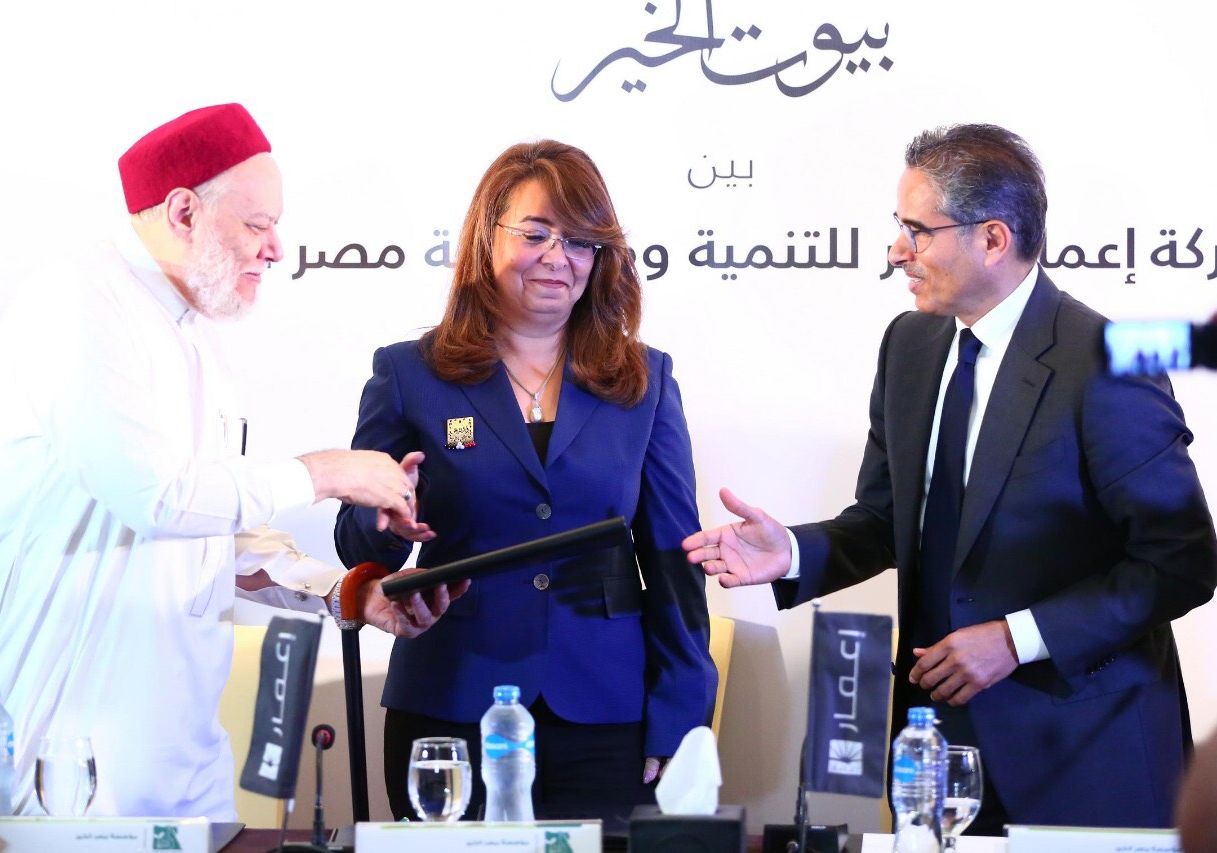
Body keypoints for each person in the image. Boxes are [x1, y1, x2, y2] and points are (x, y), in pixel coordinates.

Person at [0, 103, 465, 821]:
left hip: (181, 762)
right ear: (184, 212)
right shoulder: (79, 303)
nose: (276, 249)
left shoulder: (194, 333)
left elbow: (212, 532)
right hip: (51, 749)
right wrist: (327, 473)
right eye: (258, 224)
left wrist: (345, 592)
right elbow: (157, 497)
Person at [684, 124, 1217, 834]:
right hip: (934, 756)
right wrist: (794, 551)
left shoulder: (1104, 364)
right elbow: (885, 518)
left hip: (1083, 760)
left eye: (917, 231)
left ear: (992, 239)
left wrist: (1017, 637)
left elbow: (1180, 563)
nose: (895, 252)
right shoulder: (909, 345)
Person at [335, 139, 717, 821]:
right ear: (487, 239)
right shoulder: (409, 373)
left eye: (581, 241)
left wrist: (682, 708)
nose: (558, 257)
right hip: (450, 700)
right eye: (536, 234)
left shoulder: (645, 379)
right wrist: (382, 519)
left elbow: (673, 558)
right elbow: (357, 541)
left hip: (605, 707)